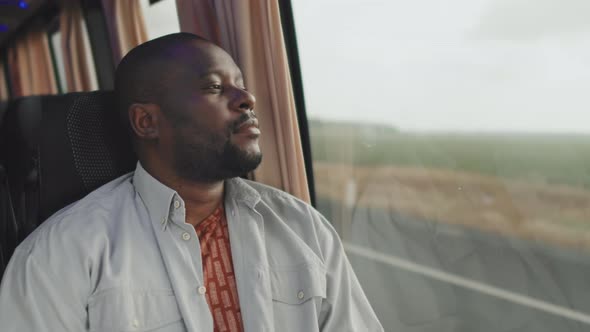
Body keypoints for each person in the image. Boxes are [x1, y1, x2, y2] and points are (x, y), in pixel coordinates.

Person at [0, 32, 383, 331]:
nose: (247, 98)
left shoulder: (304, 227)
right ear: (146, 122)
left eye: (240, 84)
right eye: (215, 87)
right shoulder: (57, 255)